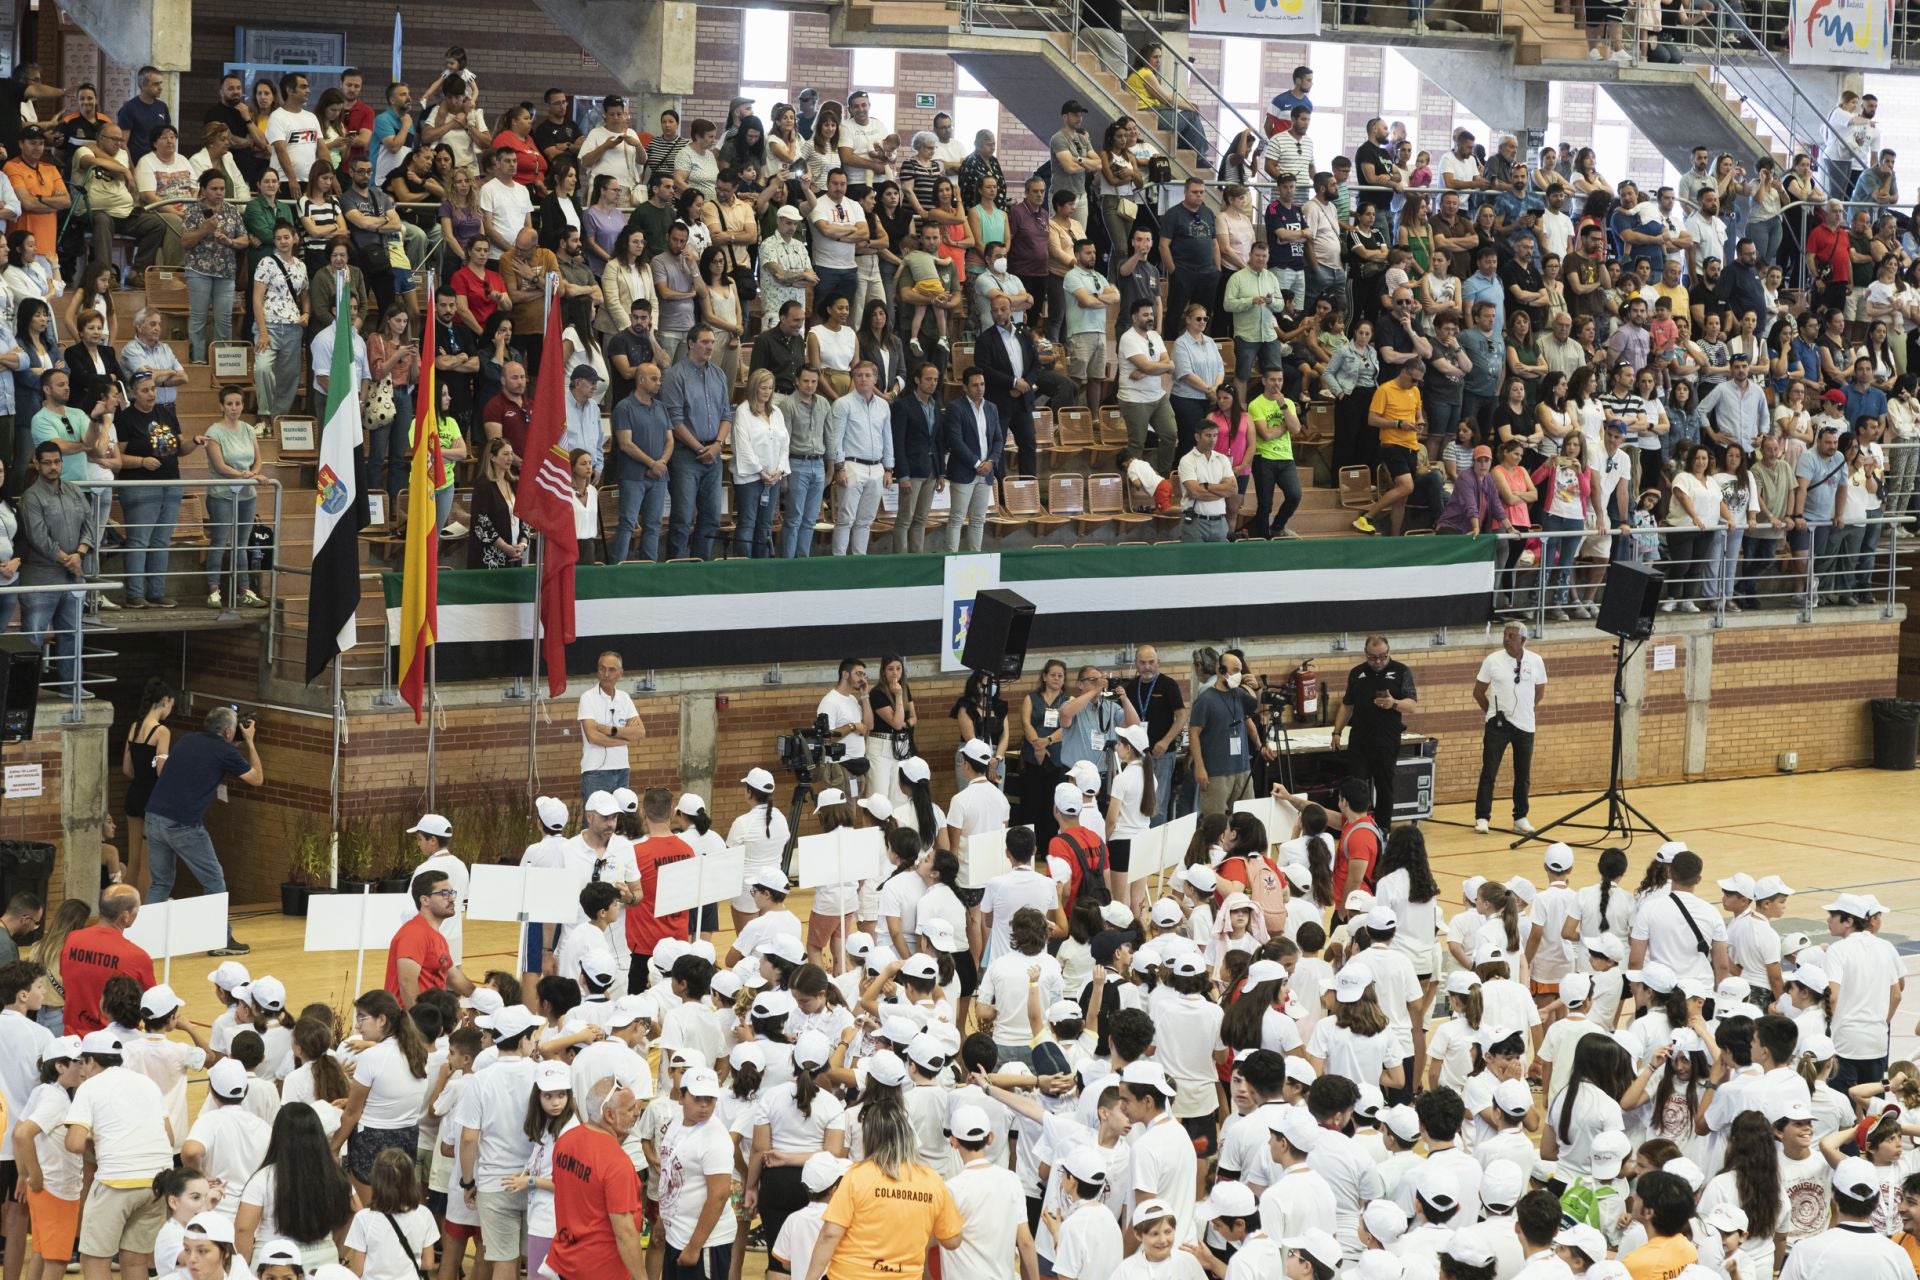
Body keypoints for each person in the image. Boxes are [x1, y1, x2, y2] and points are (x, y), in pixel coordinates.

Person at [799, 1098, 964, 1280]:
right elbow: (952, 1240)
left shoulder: (856, 1176)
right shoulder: (932, 1181)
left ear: (870, 1137)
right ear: (907, 1136)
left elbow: (830, 1234)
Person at [140, 703, 259, 955]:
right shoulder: (225, 751)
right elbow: (256, 778)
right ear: (228, 732)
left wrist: (234, 745)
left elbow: (201, 762)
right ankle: (219, 940)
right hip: (182, 824)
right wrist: (249, 741)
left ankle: (144, 939)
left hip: (153, 817)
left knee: (160, 883)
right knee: (214, 881)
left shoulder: (188, 740)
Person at [67, 1024, 175, 1280]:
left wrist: (96, 1143)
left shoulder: (89, 1087)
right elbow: (169, 1138)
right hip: (159, 1181)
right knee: (136, 1260)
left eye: (82, 1062)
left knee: (94, 1259)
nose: (81, 1069)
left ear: (92, 1061)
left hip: (116, 1181)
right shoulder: (147, 1084)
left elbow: (74, 1143)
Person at [18, 436, 96, 692]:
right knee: (34, 636)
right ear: (37, 464)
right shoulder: (31, 497)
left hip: (73, 574)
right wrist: (68, 560)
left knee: (72, 633)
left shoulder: (74, 490)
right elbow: (38, 537)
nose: (53, 467)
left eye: (57, 462)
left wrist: (79, 554)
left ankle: (71, 687)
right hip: (41, 577)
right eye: (47, 463)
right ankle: (27, 692)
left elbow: (90, 524)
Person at [661, 325, 733, 560]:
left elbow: (726, 415)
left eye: (712, 342)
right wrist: (701, 449)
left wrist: (717, 445)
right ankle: (678, 566)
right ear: (691, 344)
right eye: (705, 342)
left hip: (714, 452)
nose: (710, 346)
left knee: (711, 517)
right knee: (682, 518)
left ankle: (702, 566)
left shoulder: (719, 374)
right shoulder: (675, 375)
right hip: (686, 455)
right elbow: (675, 420)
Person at [1473, 621, 1548, 837]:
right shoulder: (1492, 660)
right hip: (1498, 725)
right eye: (1505, 635)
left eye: (1511, 636)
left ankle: (1520, 818)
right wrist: (1492, 713)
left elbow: (1539, 692)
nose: (1506, 639)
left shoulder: (1536, 661)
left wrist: (1526, 709)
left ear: (1523, 640)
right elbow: (1478, 692)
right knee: (1489, 771)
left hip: (1525, 725)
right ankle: (1482, 817)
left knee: (1523, 774)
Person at [1332, 636, 1417, 825]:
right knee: (1356, 786)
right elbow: (1347, 705)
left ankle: (1383, 829)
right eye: (1373, 657)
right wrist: (1337, 732)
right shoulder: (1357, 673)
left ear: (1388, 652)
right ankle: (1356, 826)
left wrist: (1394, 703)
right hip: (1360, 739)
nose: (1378, 661)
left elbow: (1412, 705)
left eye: (1383, 657)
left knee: (1384, 785)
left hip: (1386, 739)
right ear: (1365, 653)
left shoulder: (1401, 671)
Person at [59, 887, 154, 1037]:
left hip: (73, 1038)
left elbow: (65, 976)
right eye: (137, 909)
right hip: (114, 1042)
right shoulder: (137, 957)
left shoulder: (72, 939)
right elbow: (152, 1004)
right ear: (125, 916)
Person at [384, 869, 476, 1005]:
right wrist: (420, 1016)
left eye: (451, 893)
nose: (452, 898)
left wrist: (480, 997)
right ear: (425, 900)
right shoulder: (414, 934)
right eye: (444, 894)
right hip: (411, 1017)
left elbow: (454, 977)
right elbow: (407, 984)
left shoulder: (438, 938)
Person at [943, 366, 1002, 552]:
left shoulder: (992, 408)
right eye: (975, 385)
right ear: (965, 387)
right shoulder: (955, 407)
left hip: (986, 472)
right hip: (963, 470)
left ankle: (975, 558)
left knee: (978, 519)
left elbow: (998, 440)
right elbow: (955, 441)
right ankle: (951, 557)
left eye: (982, 384)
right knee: (957, 518)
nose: (980, 388)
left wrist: (991, 462)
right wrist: (977, 463)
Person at [1190, 647, 1254, 815]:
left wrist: (1256, 688)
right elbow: (1194, 733)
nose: (1238, 675)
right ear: (1221, 670)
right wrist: (1199, 766)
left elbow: (1255, 710)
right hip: (1217, 771)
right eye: (1235, 670)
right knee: (1216, 820)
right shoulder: (1205, 699)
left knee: (1246, 818)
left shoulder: (1239, 694)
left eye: (1240, 671)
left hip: (1242, 768)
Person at [579, 650, 645, 799]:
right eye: (602, 669)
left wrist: (610, 730)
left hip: (622, 769)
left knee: (621, 814)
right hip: (595, 771)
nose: (606, 674)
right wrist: (624, 739)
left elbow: (640, 732)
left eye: (611, 670)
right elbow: (593, 737)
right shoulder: (588, 698)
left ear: (620, 673)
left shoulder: (624, 698)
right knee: (595, 814)